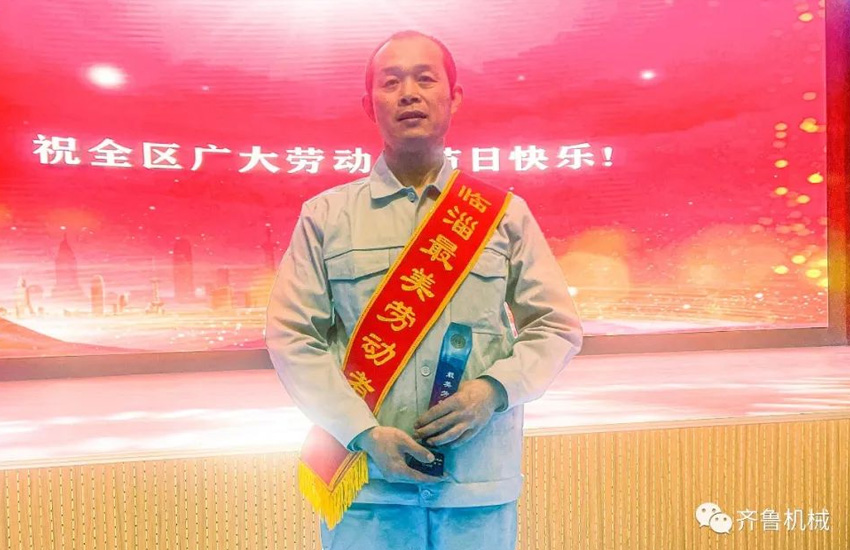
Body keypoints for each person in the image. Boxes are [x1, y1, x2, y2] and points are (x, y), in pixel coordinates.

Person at [265, 30, 583, 550]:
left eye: (425, 79)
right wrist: (362, 433)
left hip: (475, 484)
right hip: (367, 485)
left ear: (453, 98)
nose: (409, 94)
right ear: (369, 105)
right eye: (391, 82)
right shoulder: (325, 217)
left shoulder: (504, 216)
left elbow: (556, 327)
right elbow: (292, 337)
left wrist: (492, 391)